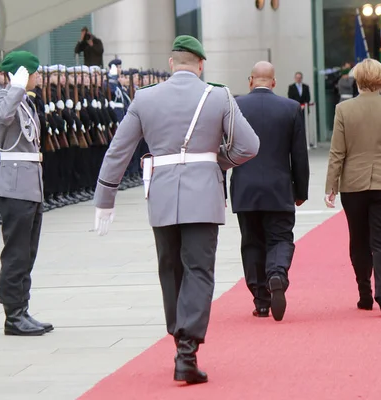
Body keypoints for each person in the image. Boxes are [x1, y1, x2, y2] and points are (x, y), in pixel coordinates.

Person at [92, 35, 259, 384]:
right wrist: (218, 162)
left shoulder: (145, 97)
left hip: (163, 194)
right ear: (201, 65)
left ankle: (178, 338)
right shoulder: (218, 95)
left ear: (171, 63)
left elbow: (118, 151)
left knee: (170, 270)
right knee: (198, 270)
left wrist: (105, 197)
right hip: (204, 195)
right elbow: (249, 145)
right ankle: (187, 350)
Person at [324, 59, 381, 316]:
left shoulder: (343, 109)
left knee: (359, 238)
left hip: (354, 185)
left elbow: (337, 152)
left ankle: (364, 292)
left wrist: (331, 185)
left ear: (357, 79)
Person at [232, 61, 309, 321]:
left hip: (245, 187)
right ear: (274, 82)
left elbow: (223, 148)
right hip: (279, 187)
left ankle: (261, 300)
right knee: (281, 237)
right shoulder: (290, 108)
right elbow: (299, 155)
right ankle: (276, 274)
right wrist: (301, 190)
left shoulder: (235, 107)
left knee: (251, 241)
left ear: (250, 80)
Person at [0, 51, 53, 336]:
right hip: (14, 185)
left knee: (28, 251)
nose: (36, 78)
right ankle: (13, 315)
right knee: (16, 252)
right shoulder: (5, 98)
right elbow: (1, 117)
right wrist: (15, 86)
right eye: (32, 73)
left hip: (28, 184)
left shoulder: (26, 101)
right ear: (20, 75)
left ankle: (22, 308)